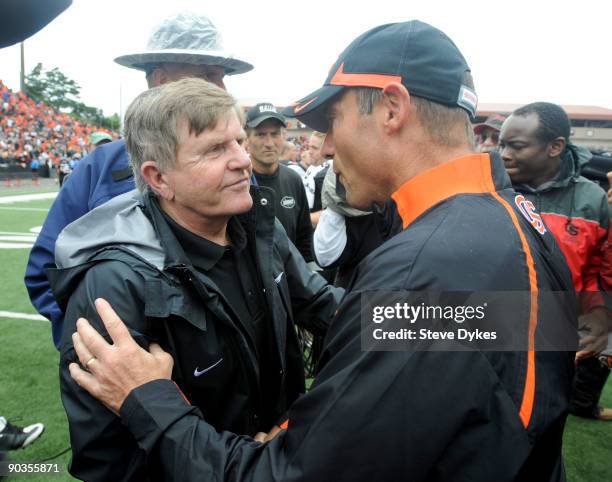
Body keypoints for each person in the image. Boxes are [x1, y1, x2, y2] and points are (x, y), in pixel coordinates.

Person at [69, 20, 577, 481]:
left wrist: (152, 400)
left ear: (393, 109)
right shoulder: (522, 224)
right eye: (216, 149)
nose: (326, 145)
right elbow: (471, 355)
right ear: (160, 178)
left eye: (331, 121)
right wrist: (310, 428)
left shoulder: (422, 270)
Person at [49, 78, 341, 481]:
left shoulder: (260, 230)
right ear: (159, 178)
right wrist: (246, 463)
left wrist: (443, 320)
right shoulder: (114, 286)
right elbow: (109, 462)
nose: (242, 159)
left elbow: (326, 305)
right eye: (215, 149)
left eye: (239, 141)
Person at [25, 12, 254, 349]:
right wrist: (103, 344)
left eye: (222, 77)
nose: (221, 89)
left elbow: (288, 279)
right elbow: (45, 274)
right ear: (161, 81)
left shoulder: (242, 174)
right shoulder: (100, 168)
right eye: (207, 75)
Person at [500, 102, 611, 421]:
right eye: (502, 144)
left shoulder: (593, 201)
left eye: (516, 146)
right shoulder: (489, 189)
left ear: (555, 147)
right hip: (492, 324)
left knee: (542, 420)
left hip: (555, 337)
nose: (504, 154)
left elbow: (600, 271)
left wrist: (601, 314)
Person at [245, 103, 314, 261]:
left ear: (283, 137)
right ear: (247, 139)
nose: (269, 143)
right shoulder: (237, 182)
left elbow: (304, 238)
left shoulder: (293, 179)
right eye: (261, 135)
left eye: (275, 134)